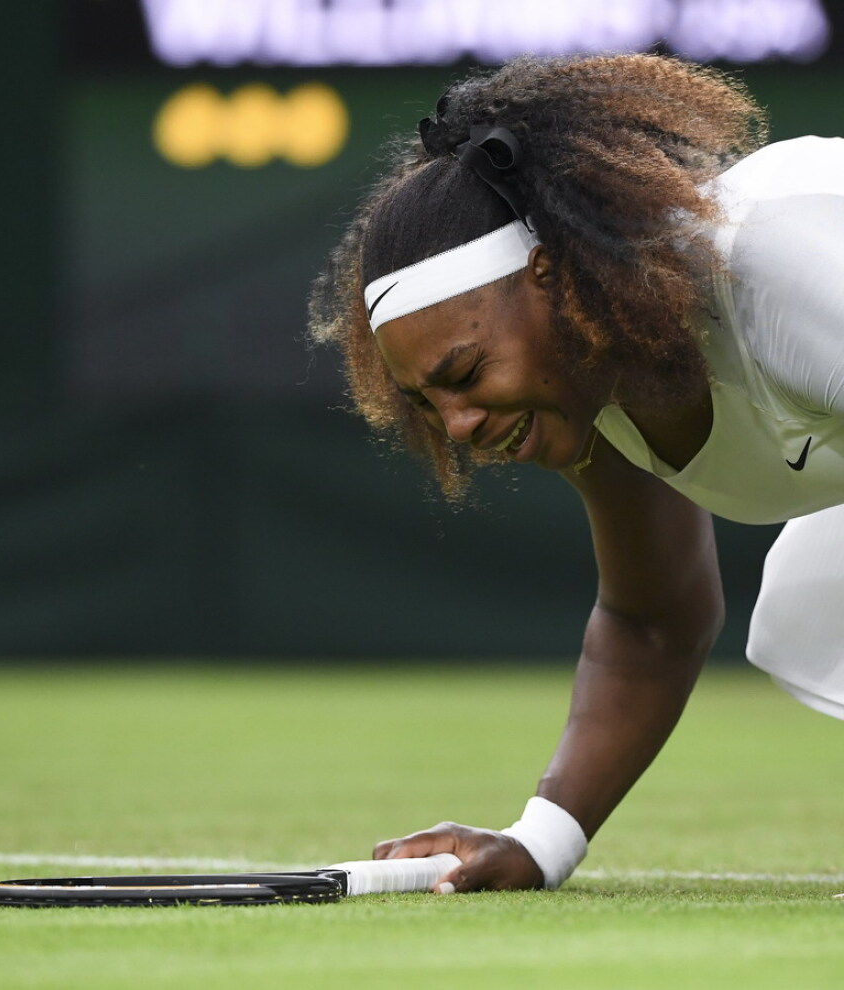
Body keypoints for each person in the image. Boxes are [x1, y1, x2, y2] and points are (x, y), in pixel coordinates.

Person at [307, 53, 844, 894]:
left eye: (463, 373)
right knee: (813, 615)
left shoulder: (783, 276)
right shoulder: (600, 385)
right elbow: (652, 620)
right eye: (425, 402)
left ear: (553, 281)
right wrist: (541, 842)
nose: (458, 426)